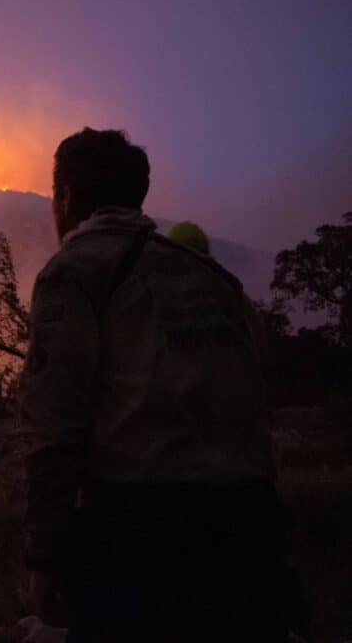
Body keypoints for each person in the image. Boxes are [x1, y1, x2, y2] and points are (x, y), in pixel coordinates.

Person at [19, 128, 303, 641]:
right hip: (252, 524)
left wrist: (44, 551)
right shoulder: (210, 276)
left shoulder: (74, 273)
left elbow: (55, 425)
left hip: (143, 530)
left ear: (64, 197)